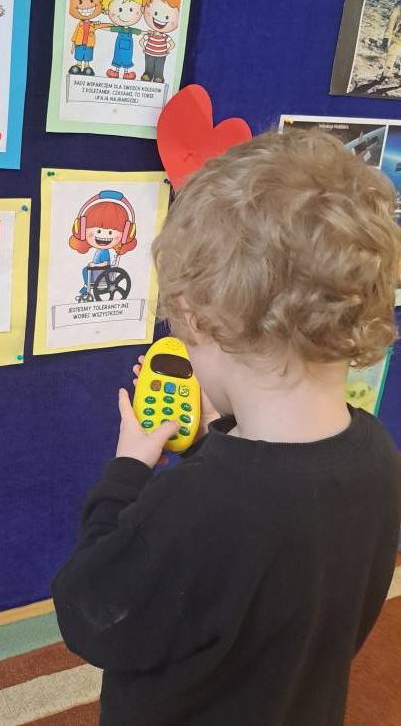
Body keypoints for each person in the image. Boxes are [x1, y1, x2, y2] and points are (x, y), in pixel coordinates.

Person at [52, 129, 401, 726]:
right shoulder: (376, 452)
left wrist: (125, 473)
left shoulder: (192, 503)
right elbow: (268, 536)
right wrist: (219, 431)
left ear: (196, 318)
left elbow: (90, 614)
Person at [68, 0, 108, 77]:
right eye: (80, 1)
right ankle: (78, 65)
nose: (85, 6)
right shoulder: (79, 25)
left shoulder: (93, 25)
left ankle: (86, 66)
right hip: (79, 43)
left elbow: (101, 25)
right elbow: (75, 34)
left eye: (91, 1)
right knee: (79, 54)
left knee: (88, 55)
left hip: (89, 43)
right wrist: (73, 44)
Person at [103, 0, 145, 80]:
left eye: (131, 10)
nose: (125, 15)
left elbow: (138, 32)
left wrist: (146, 32)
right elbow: (111, 29)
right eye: (120, 9)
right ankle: (116, 71)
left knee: (127, 58)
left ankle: (126, 73)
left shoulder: (130, 30)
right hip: (119, 47)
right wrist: (99, 27)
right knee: (117, 57)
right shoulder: (119, 29)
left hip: (128, 48)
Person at [140, 0, 181, 84]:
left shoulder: (165, 37)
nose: (160, 19)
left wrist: (167, 50)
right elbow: (142, 41)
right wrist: (144, 47)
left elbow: (172, 44)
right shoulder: (150, 33)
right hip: (149, 52)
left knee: (160, 66)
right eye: (156, 13)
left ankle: (159, 76)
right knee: (149, 64)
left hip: (161, 54)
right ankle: (148, 74)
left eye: (167, 17)